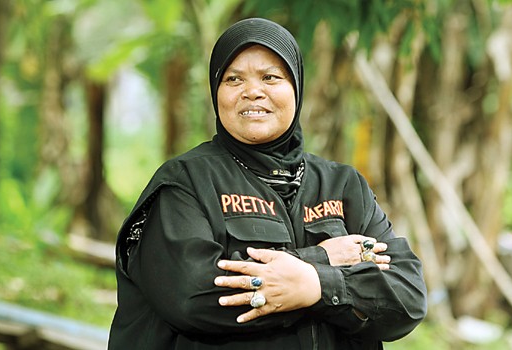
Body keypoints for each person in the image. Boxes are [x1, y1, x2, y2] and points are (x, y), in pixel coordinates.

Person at [108, 17, 427, 349]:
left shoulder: (343, 186)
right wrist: (320, 261)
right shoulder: (186, 183)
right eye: (234, 79)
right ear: (216, 91)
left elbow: (406, 295)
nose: (252, 91)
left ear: (297, 87)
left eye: (270, 77)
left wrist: (319, 286)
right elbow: (194, 296)